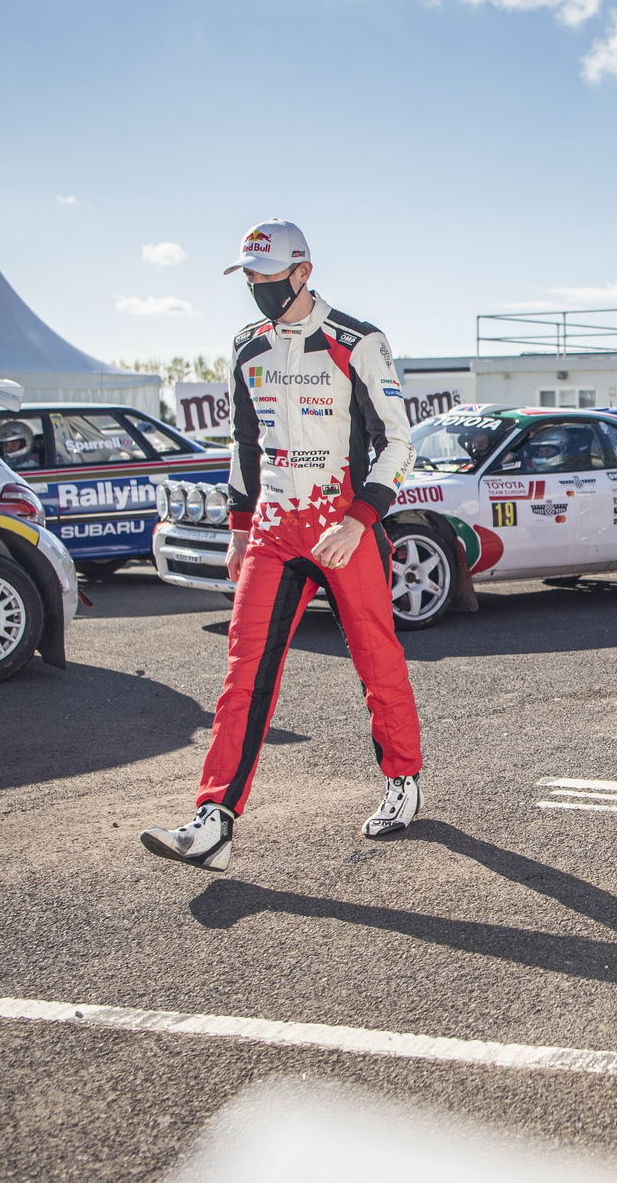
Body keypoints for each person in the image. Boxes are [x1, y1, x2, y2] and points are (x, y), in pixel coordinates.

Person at [141, 220, 424, 872]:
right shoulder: (247, 347)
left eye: (267, 275)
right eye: (249, 277)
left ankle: (403, 780)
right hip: (273, 530)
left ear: (303, 271)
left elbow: (399, 445)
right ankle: (214, 820)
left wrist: (358, 520)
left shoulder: (358, 341)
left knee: (378, 661)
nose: (257, 287)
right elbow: (243, 442)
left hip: (343, 526)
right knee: (242, 673)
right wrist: (240, 530)